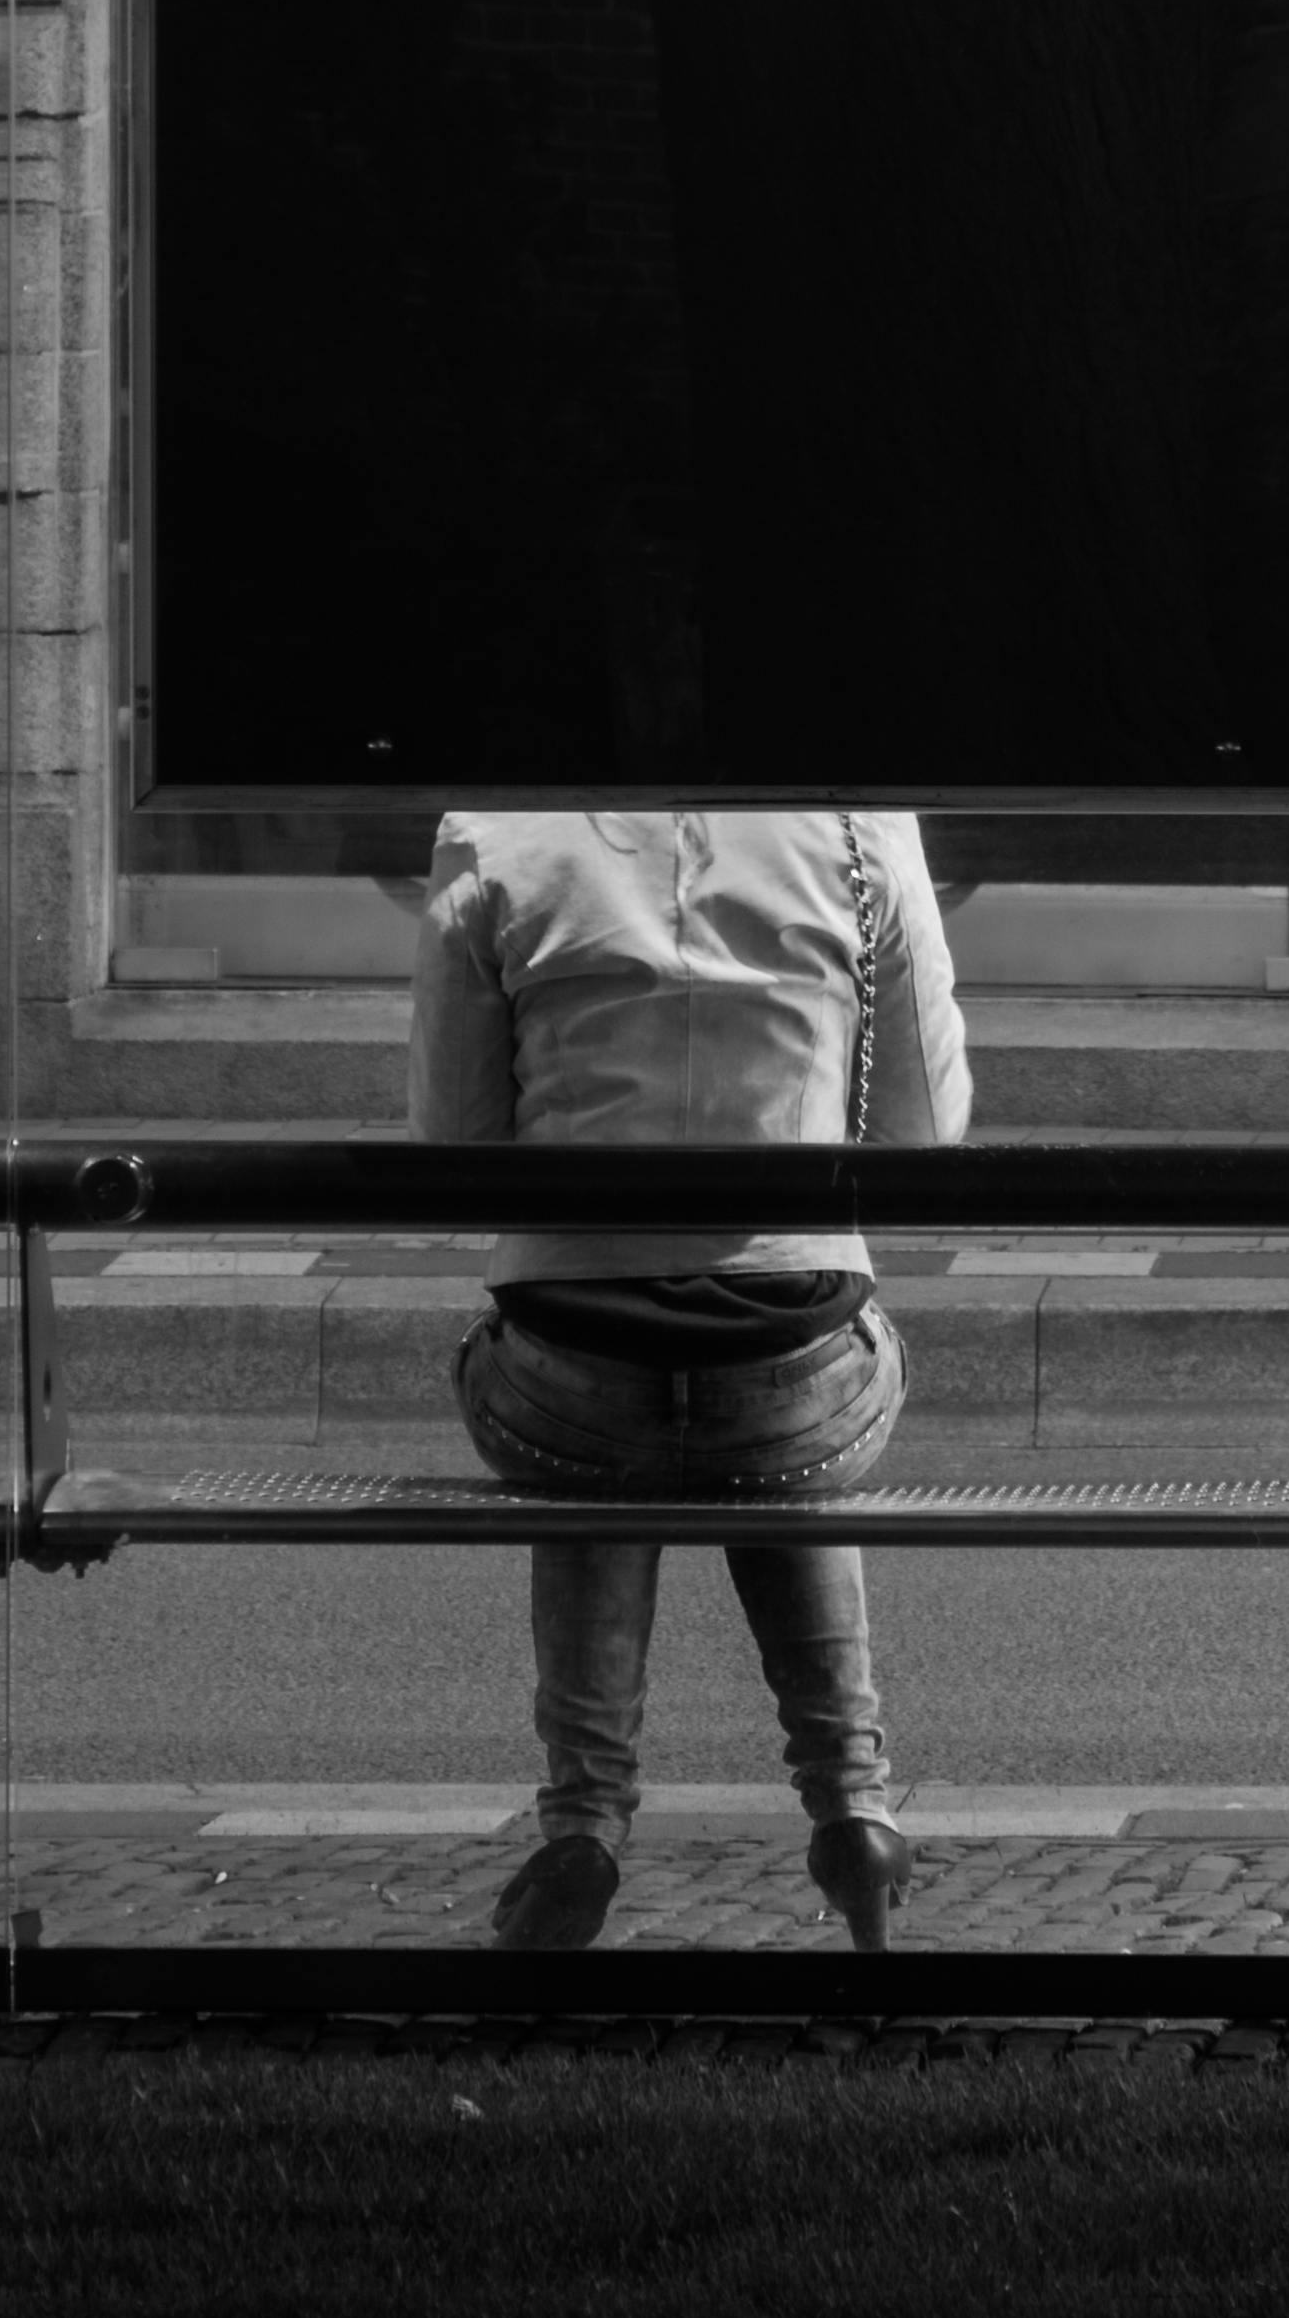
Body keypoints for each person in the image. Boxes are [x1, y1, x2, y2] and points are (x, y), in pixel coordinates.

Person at [410, 804, 974, 1953]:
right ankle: (853, 1802)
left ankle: (584, 1820)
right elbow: (924, 1125)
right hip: (795, 1379)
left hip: (568, 1381)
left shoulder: (497, 833)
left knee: (594, 1422)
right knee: (789, 1402)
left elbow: (454, 1134)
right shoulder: (861, 831)